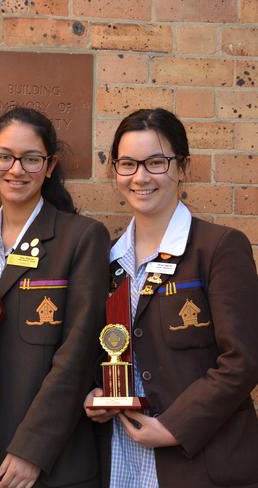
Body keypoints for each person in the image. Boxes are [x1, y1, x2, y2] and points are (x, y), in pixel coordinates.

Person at [84, 108, 258, 487]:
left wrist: (174, 427)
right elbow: (107, 350)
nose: (140, 177)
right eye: (127, 164)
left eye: (156, 162)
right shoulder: (108, 261)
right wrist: (98, 393)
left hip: (200, 459)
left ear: (184, 167)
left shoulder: (218, 248)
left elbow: (243, 360)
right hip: (123, 457)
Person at [0, 106, 110, 487]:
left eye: (31, 158)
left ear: (50, 165)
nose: (16, 170)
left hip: (46, 459)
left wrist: (32, 449)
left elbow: (77, 354)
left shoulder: (81, 239)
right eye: (4, 156)